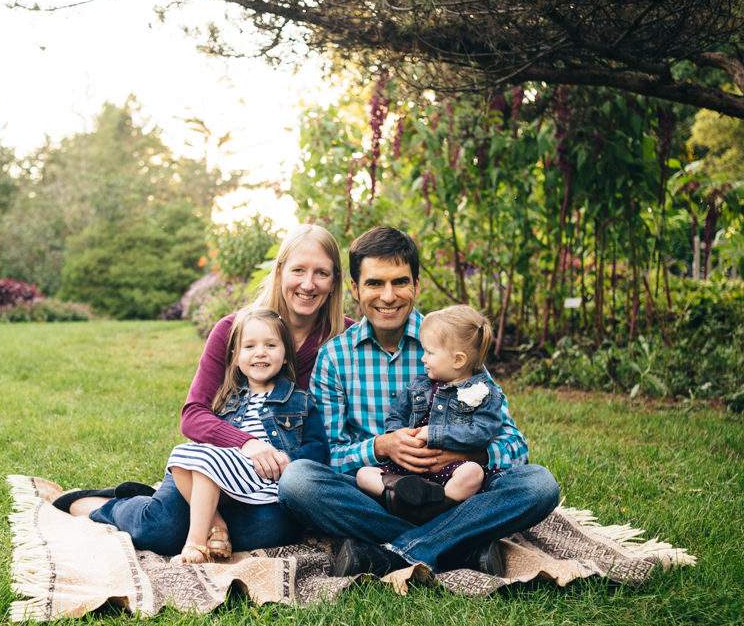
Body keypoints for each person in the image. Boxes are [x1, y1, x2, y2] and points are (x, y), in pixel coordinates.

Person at [277, 226, 560, 577]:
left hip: (456, 487)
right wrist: (381, 447)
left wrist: (467, 455)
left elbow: (515, 445)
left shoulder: (451, 344)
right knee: (298, 481)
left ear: (417, 285)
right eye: (375, 283)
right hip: (381, 490)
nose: (388, 295)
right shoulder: (334, 357)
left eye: (400, 282)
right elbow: (327, 453)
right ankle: (461, 546)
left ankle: (392, 553)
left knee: (539, 484)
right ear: (354, 288)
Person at [54, 224, 354, 556]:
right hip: (216, 464)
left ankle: (210, 522)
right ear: (280, 270)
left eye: (321, 273)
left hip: (272, 483)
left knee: (274, 528)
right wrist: (247, 443)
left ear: (335, 280)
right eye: (298, 269)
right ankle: (106, 505)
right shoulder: (232, 331)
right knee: (161, 530)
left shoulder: (347, 341)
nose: (308, 283)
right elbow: (193, 416)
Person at [164, 307, 328, 563]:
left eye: (271, 345)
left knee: (206, 460)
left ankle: (195, 543)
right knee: (181, 456)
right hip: (228, 476)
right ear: (235, 356)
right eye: (249, 346)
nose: (260, 352)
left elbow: (318, 449)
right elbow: (208, 442)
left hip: (267, 480)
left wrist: (285, 458)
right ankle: (217, 526)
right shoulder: (228, 399)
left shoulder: (299, 401)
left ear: (285, 355)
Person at [355, 305, 504, 520]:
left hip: (451, 470)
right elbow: (397, 414)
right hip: (408, 469)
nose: (423, 358)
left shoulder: (484, 392)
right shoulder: (420, 386)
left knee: (473, 474)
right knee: (363, 475)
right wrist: (399, 436)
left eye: (429, 353)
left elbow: (483, 433)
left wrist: (435, 434)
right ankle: (403, 492)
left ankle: (433, 510)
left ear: (458, 360)